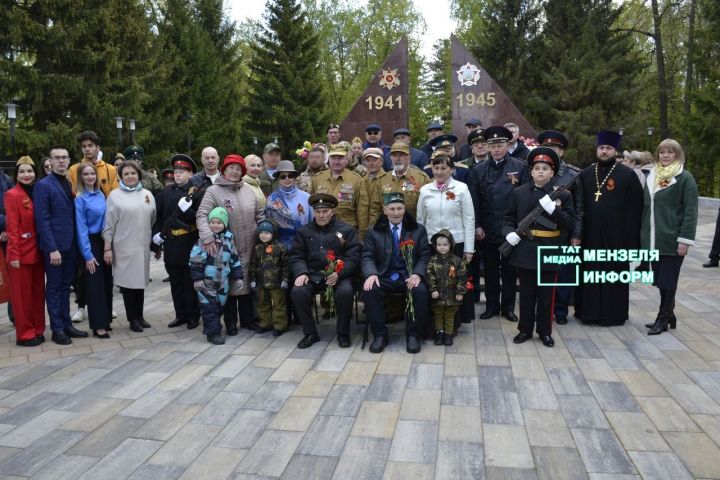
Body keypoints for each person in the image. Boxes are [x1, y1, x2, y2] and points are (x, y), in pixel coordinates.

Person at [502, 148, 576, 348]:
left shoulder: (564, 195)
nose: (541, 172)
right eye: (537, 168)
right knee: (526, 295)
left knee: (546, 296)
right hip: (526, 249)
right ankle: (524, 329)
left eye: (545, 168)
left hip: (549, 250)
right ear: (531, 172)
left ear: (552, 173)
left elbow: (570, 224)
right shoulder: (519, 193)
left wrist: (555, 212)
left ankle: (544, 331)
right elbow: (508, 218)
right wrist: (509, 232)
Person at [575, 131, 643, 326]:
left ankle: (613, 314)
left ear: (615, 150)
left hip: (617, 238)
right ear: (597, 149)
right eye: (601, 148)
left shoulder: (628, 176)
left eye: (608, 148)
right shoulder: (587, 173)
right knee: (589, 275)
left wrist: (631, 244)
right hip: (590, 238)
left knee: (612, 277)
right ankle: (587, 313)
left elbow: (634, 212)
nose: (604, 151)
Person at [197, 154, 264, 333]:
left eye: (238, 169)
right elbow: (202, 214)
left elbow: (260, 215)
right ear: (224, 170)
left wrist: (265, 234)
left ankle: (248, 320)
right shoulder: (214, 191)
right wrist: (208, 237)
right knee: (229, 283)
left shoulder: (249, 191)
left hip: (250, 245)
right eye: (231, 168)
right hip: (226, 247)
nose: (234, 172)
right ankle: (231, 323)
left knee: (247, 282)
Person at [468, 126, 529, 322]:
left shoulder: (520, 167)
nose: (496, 149)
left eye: (500, 145)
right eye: (492, 145)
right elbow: (474, 201)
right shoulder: (478, 170)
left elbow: (526, 199)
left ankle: (508, 308)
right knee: (491, 270)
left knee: (510, 271)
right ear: (487, 147)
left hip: (512, 229)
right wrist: (477, 226)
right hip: (488, 228)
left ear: (507, 144)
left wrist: (521, 227)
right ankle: (492, 306)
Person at [640, 139, 698, 335]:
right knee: (659, 280)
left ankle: (662, 318)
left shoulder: (685, 178)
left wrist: (685, 240)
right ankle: (669, 313)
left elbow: (691, 212)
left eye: (670, 152)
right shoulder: (652, 176)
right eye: (662, 152)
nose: (665, 155)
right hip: (654, 240)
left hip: (672, 240)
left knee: (668, 280)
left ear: (677, 155)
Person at [362, 192, 432, 353]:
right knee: (370, 289)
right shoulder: (374, 230)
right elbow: (367, 256)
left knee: (420, 290)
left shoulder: (417, 229)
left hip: (408, 275)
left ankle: (413, 335)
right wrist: (371, 274)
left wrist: (418, 274)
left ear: (404, 209)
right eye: (392, 209)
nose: (396, 213)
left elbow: (424, 255)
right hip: (384, 275)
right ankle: (380, 335)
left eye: (399, 208)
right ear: (384, 210)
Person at [290, 193, 361, 349]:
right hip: (313, 274)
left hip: (338, 275)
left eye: (325, 211)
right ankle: (310, 333)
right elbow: (297, 255)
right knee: (298, 292)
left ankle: (343, 334)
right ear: (313, 212)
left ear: (332, 211)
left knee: (345, 292)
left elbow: (353, 256)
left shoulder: (346, 230)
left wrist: (339, 273)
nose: (321, 215)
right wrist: (302, 273)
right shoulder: (304, 231)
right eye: (318, 211)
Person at [34, 146, 88, 344]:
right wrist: (52, 248)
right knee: (55, 288)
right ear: (51, 161)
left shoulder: (69, 182)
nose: (61, 161)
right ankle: (57, 328)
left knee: (66, 286)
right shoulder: (43, 185)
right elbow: (42, 220)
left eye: (64, 157)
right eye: (57, 158)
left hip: (71, 245)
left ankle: (66, 324)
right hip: (55, 248)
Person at [416, 153, 475, 329]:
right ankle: (434, 323)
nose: (440, 172)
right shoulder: (425, 190)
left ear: (452, 170)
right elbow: (420, 219)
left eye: (444, 168)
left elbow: (469, 219)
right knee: (434, 282)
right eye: (436, 168)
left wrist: (469, 249)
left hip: (456, 243)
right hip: (432, 244)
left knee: (453, 283)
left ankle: (454, 323)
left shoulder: (462, 189)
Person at [103, 160, 156, 332]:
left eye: (133, 173)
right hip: (124, 247)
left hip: (142, 247)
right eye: (126, 174)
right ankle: (132, 318)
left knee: (140, 282)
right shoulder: (114, 196)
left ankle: (140, 315)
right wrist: (107, 247)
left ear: (139, 175)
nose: (130, 176)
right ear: (120, 177)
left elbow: (153, 218)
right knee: (128, 284)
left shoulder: (147, 194)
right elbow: (109, 224)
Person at [152, 154, 204, 331]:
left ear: (190, 174)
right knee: (175, 282)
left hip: (189, 241)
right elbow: (159, 217)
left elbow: (200, 219)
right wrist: (156, 236)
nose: (178, 174)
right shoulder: (165, 192)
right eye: (176, 171)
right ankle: (180, 315)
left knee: (189, 282)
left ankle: (193, 315)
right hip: (172, 243)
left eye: (182, 171)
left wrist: (187, 210)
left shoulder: (197, 192)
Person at [537, 130, 583, 325]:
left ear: (562, 152)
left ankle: (561, 311)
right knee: (541, 276)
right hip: (540, 233)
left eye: (555, 148)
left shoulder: (573, 175)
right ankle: (541, 311)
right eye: (547, 148)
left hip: (564, 233)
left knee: (564, 274)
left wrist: (576, 235)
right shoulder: (536, 172)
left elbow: (580, 209)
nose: (552, 152)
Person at [5, 156, 45, 346]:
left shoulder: (37, 192)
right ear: (16, 175)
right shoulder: (13, 195)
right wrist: (13, 254)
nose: (26, 175)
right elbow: (12, 227)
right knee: (22, 297)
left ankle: (38, 328)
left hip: (37, 251)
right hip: (20, 253)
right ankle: (25, 334)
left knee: (38, 294)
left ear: (35, 174)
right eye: (22, 172)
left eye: (29, 171)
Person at [189, 207, 243, 345]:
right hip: (207, 282)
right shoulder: (204, 241)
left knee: (220, 306)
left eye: (219, 222)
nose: (215, 225)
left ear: (224, 224)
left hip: (223, 282)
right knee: (209, 308)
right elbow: (195, 260)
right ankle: (213, 333)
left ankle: (220, 326)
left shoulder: (228, 239)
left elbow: (234, 259)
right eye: (212, 222)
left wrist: (238, 277)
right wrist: (197, 279)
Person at [74, 162, 113, 338]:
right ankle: (98, 325)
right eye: (86, 174)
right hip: (89, 243)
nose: (90, 177)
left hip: (104, 240)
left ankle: (106, 320)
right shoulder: (80, 199)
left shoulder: (101, 195)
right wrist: (88, 256)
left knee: (106, 281)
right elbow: (81, 229)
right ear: (81, 178)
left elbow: (107, 221)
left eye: (92, 174)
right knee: (94, 284)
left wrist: (108, 245)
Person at [311, 144, 369, 238]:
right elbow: (312, 207)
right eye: (333, 158)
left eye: (340, 158)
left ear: (346, 159)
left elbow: (362, 210)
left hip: (347, 232)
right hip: (322, 232)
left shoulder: (357, 180)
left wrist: (362, 236)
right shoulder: (318, 179)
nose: (336, 161)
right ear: (328, 159)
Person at [368, 142, 430, 226]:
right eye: (394, 155)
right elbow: (375, 209)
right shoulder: (382, 179)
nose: (398, 158)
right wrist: (375, 231)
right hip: (388, 230)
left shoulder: (422, 178)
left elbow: (429, 209)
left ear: (409, 158)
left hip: (413, 229)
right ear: (390, 158)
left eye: (402, 155)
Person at [427, 229, 467, 346]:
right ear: (435, 245)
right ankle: (440, 333)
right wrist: (433, 289)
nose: (442, 247)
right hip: (437, 296)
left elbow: (462, 277)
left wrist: (460, 292)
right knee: (438, 315)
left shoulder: (457, 261)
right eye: (439, 245)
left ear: (451, 244)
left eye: (445, 245)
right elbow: (430, 276)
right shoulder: (432, 261)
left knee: (450, 315)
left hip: (452, 296)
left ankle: (449, 334)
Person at [249, 220, 289, 336]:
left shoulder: (281, 248)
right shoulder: (257, 248)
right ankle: (265, 323)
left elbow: (286, 266)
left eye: (267, 232)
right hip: (261, 282)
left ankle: (279, 325)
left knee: (279, 304)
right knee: (262, 303)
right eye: (261, 232)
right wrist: (253, 279)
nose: (263, 235)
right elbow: (253, 265)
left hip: (277, 283)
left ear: (274, 233)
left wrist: (285, 280)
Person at [265, 160, 312, 249]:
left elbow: (312, 223)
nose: (287, 179)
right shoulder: (271, 199)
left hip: (303, 245)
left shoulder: (306, 197)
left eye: (290, 176)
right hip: (280, 247)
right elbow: (269, 225)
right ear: (278, 179)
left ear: (295, 178)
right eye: (283, 177)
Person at [67, 130, 120, 197]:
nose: (87, 149)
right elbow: (72, 195)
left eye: (90, 146)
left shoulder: (111, 170)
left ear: (97, 148)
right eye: (84, 146)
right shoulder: (73, 170)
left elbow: (116, 195)